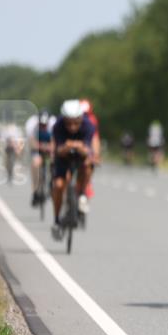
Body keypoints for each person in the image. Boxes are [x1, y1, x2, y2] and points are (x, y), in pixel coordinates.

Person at [50, 100, 96, 240]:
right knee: (58, 185)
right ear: (64, 120)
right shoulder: (58, 126)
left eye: (76, 122)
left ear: (81, 119)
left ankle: (81, 193)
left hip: (81, 156)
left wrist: (79, 148)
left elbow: (88, 150)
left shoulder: (88, 126)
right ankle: (57, 219)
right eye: (68, 123)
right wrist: (68, 146)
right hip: (63, 156)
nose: (72, 127)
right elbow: (58, 150)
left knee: (87, 166)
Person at [25, 109, 55, 205]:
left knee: (54, 161)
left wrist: (50, 148)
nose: (43, 126)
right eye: (41, 125)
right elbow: (31, 142)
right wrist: (41, 146)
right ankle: (35, 190)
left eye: (45, 125)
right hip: (37, 147)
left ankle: (52, 182)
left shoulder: (54, 125)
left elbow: (55, 142)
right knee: (35, 163)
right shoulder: (31, 124)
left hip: (49, 146)